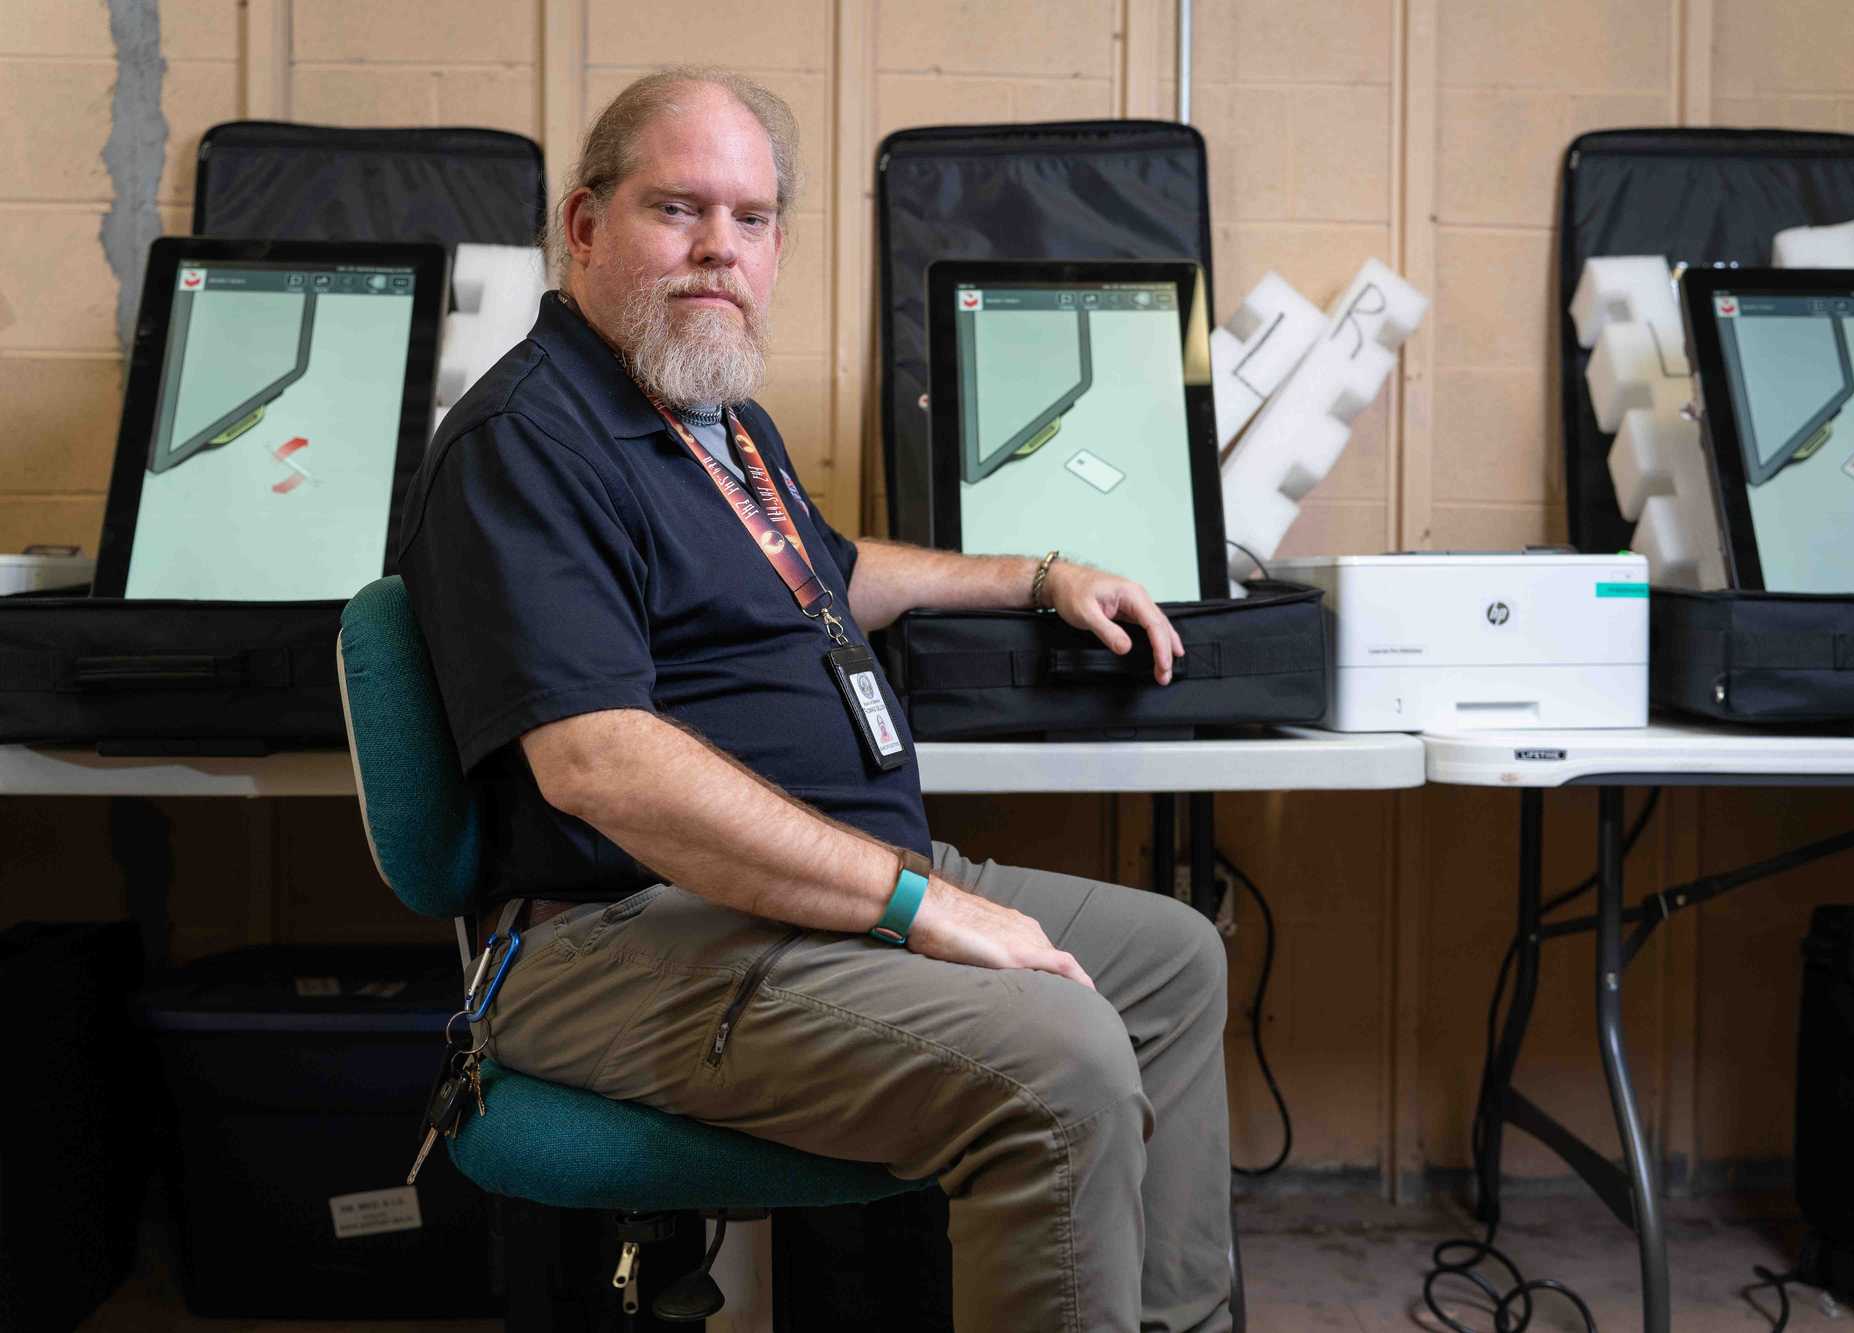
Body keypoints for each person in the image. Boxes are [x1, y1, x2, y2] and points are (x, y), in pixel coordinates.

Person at [398, 65, 1232, 1333]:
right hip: (619, 936)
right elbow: (599, 766)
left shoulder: (708, 414)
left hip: (813, 891)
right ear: (584, 227)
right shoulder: (534, 438)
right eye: (677, 210)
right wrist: (922, 905)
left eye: (750, 220)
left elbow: (829, 570)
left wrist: (1037, 574)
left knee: (1170, 962)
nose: (716, 251)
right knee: (1059, 1062)